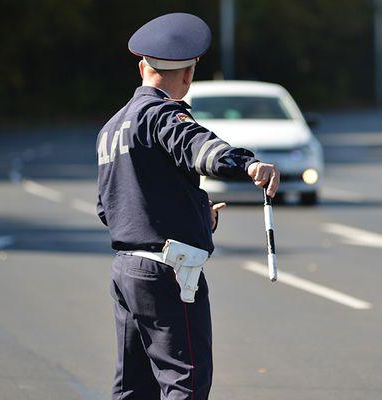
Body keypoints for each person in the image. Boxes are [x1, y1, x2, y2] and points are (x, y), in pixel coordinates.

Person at [96, 13, 280, 400]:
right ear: (188, 74)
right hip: (167, 273)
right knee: (185, 383)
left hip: (127, 271)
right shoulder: (162, 114)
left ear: (142, 66)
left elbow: (111, 206)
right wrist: (249, 164)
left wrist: (194, 212)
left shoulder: (111, 128)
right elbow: (200, 149)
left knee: (133, 386)